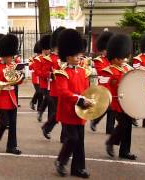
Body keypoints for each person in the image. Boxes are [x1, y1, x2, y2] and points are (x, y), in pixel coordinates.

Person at [54, 29, 92, 178]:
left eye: (79, 55)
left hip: (81, 111)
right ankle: (61, 161)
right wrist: (80, 99)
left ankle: (78, 168)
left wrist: (90, 100)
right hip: (68, 112)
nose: (79, 57)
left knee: (80, 141)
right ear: (68, 56)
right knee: (73, 138)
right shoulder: (61, 72)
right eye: (76, 55)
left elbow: (87, 89)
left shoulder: (83, 71)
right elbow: (63, 92)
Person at [0, 34, 23, 155]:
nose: (11, 58)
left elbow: (17, 80)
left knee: (13, 124)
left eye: (12, 56)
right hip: (1, 98)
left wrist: (20, 76)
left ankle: (12, 146)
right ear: (4, 55)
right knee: (4, 122)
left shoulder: (12, 66)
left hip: (12, 98)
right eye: (9, 56)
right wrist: (0, 84)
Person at [102, 34, 137, 160]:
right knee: (123, 124)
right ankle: (111, 141)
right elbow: (104, 88)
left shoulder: (128, 68)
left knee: (128, 127)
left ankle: (125, 151)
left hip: (128, 102)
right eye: (120, 58)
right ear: (114, 58)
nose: (123, 60)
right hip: (116, 103)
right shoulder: (107, 71)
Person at [41, 26, 66, 140]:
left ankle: (64, 136)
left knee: (65, 112)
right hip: (55, 89)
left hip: (66, 88)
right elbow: (43, 73)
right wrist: (53, 74)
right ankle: (47, 127)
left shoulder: (65, 57)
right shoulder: (49, 58)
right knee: (59, 113)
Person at [89, 31, 116, 133]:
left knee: (112, 109)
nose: (106, 51)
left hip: (113, 87)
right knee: (106, 107)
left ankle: (110, 128)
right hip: (104, 87)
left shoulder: (113, 59)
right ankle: (95, 121)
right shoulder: (99, 60)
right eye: (105, 49)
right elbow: (103, 72)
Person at [36, 34, 52, 122]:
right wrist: (47, 75)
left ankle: (43, 113)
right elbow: (37, 71)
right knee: (49, 99)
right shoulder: (38, 59)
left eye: (49, 49)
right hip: (44, 83)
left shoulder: (51, 58)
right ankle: (41, 111)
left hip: (52, 82)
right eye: (46, 49)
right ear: (43, 49)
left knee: (49, 100)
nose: (48, 51)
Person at [29, 41, 42, 111]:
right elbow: (30, 67)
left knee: (41, 93)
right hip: (35, 78)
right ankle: (34, 102)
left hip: (42, 77)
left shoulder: (44, 58)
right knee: (39, 92)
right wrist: (36, 62)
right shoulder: (32, 58)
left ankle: (39, 107)